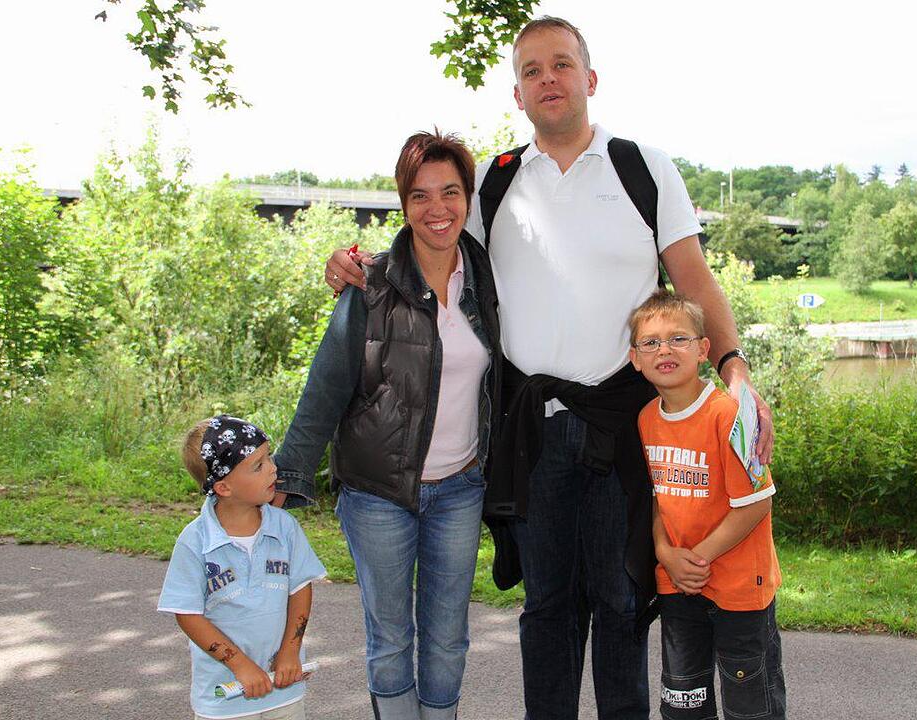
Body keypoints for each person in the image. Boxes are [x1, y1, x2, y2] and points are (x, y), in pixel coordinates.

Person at [323, 17, 774, 719]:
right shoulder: (498, 184)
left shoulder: (642, 168)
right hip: (530, 428)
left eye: (561, 65)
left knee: (623, 598)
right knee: (549, 607)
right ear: (517, 93)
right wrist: (360, 268)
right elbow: (429, 245)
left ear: (589, 80)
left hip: (623, 421)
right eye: (532, 71)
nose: (548, 80)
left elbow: (694, 279)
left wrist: (734, 368)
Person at [272, 130, 501, 720]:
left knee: (448, 637)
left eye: (450, 192)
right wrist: (289, 470)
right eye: (420, 195)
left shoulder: (490, 283)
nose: (437, 208)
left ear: (467, 198)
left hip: (460, 490)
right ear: (403, 205)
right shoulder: (370, 285)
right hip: (377, 494)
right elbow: (326, 385)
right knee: (391, 637)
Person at [629, 290, 785, 720]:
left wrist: (697, 558)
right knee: (683, 704)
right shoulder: (646, 419)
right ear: (635, 359)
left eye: (678, 339)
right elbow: (658, 497)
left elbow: (756, 503)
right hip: (679, 586)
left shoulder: (729, 415)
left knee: (750, 706)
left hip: (738, 590)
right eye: (651, 342)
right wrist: (665, 554)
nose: (664, 349)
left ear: (703, 350)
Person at [158, 415, 327, 720]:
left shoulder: (285, 527)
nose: (273, 469)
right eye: (259, 465)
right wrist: (239, 665)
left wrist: (290, 651)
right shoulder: (195, 542)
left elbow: (300, 588)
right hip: (225, 698)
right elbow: (187, 614)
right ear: (223, 487)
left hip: (284, 690)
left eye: (269, 457)